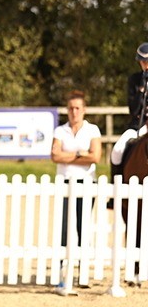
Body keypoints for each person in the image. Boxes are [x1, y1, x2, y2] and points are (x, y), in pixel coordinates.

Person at [50, 90, 101, 292]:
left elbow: (95, 156)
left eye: (77, 108)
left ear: (84, 110)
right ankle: (62, 272)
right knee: (64, 227)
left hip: (86, 183)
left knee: (83, 226)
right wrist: (81, 154)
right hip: (64, 183)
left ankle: (83, 271)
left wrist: (68, 154)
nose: (74, 112)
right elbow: (55, 156)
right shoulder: (60, 131)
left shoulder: (92, 130)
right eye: (71, 108)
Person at [111, 41, 148, 176]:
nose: (145, 65)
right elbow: (134, 109)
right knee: (117, 150)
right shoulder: (135, 80)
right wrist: (141, 89)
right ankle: (115, 190)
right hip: (138, 125)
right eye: (143, 62)